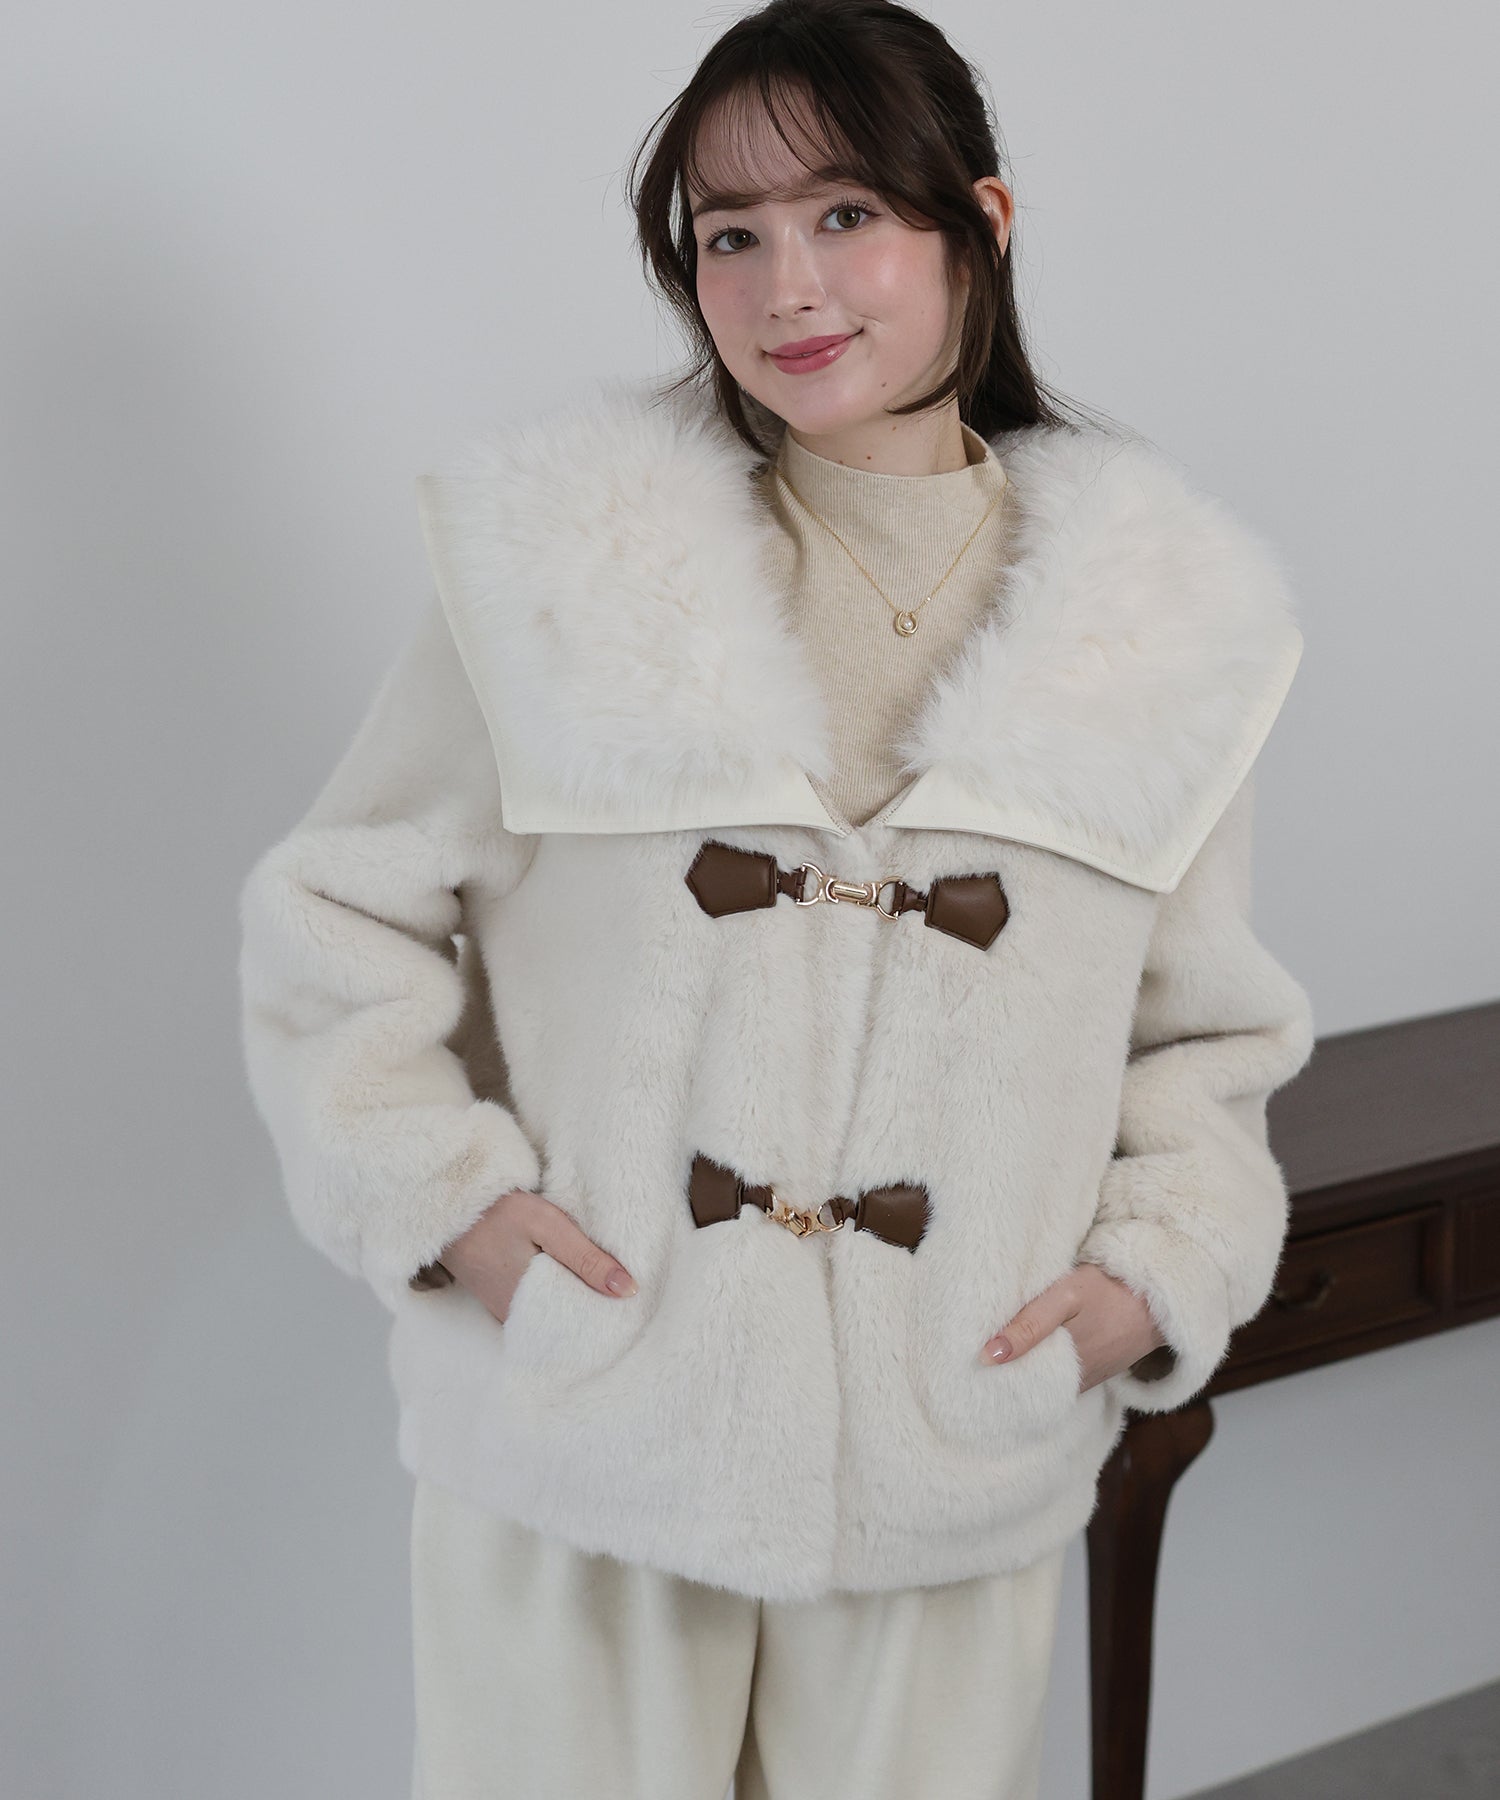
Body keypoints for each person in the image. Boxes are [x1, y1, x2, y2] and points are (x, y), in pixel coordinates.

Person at [236, 2, 1316, 1795]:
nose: (784, 285)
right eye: (727, 234)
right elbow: (336, 915)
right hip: (594, 1436)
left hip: (948, 1451)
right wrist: (451, 1207)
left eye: (845, 215)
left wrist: (1158, 1270)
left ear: (978, 224)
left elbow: (1204, 1034)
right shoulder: (564, 574)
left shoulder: (1167, 630)